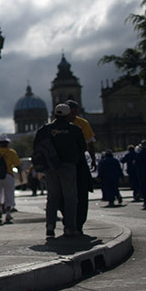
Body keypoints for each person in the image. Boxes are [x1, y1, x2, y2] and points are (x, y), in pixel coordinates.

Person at [33, 103, 86, 239]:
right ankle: (69, 228)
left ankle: (50, 226)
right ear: (68, 114)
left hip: (51, 167)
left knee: (52, 197)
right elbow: (82, 149)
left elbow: (36, 148)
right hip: (69, 167)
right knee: (70, 197)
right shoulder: (74, 129)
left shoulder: (45, 129)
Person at [66, 100, 95, 234]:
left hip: (74, 163)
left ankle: (77, 224)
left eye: (75, 113)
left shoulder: (82, 123)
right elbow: (89, 144)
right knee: (71, 194)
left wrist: (93, 160)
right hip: (71, 164)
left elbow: (90, 144)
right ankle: (72, 223)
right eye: (71, 112)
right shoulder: (79, 124)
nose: (73, 115)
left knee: (81, 194)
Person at [0, 135, 23, 224]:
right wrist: (20, 176)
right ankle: (8, 212)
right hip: (8, 175)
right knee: (9, 194)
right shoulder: (11, 152)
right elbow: (17, 165)